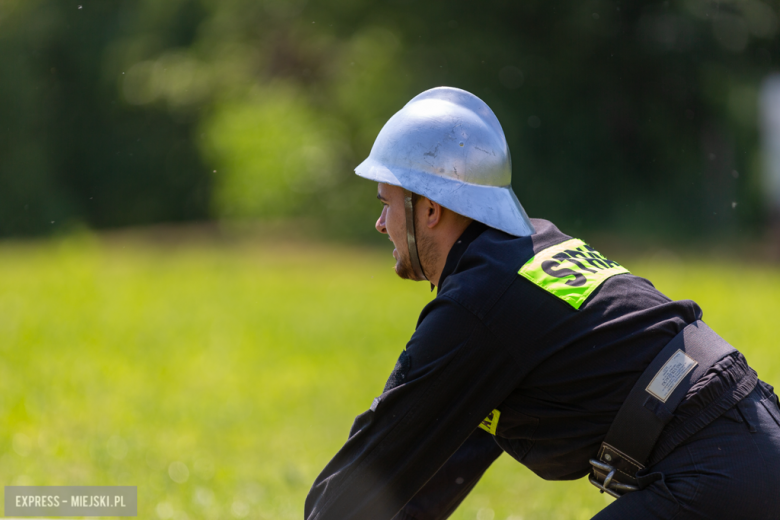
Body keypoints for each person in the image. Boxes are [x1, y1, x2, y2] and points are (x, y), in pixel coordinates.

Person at [304, 87, 780, 520]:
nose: (381, 224)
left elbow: (372, 466)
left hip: (719, 472)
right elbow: (434, 460)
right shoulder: (524, 255)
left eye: (386, 202)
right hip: (749, 444)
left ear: (430, 208)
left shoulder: (479, 305)